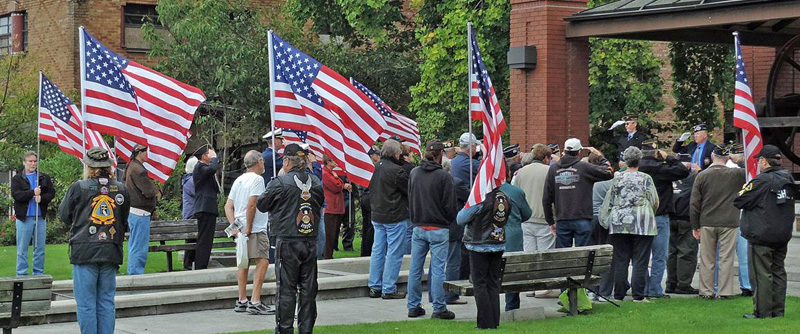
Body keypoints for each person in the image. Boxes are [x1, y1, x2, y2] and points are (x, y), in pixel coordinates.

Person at [59, 147, 130, 334]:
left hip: (84, 250)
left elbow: (64, 215)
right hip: (111, 250)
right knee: (106, 301)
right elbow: (123, 220)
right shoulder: (121, 189)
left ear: (89, 166)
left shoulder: (78, 187)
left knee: (86, 304)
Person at [256, 144, 324, 334]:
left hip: (287, 241)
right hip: (309, 239)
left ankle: (284, 330)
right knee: (308, 289)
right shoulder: (316, 181)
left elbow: (262, 204)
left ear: (286, 161)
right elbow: (319, 202)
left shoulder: (280, 182)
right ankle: (306, 330)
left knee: (286, 290)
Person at [734, 145, 796, 319]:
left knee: (761, 274)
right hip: (781, 234)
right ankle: (778, 311)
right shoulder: (788, 178)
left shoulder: (761, 181)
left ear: (764, 161)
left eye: (760, 160)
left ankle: (762, 312)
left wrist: (746, 186)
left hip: (761, 234)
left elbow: (739, 200)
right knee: (778, 272)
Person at [406, 139, 459, 319]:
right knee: (437, 269)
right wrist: (446, 220)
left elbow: (410, 197)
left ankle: (413, 306)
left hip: (419, 225)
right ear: (440, 155)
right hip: (438, 227)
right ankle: (438, 307)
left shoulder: (414, 173)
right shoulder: (444, 176)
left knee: (416, 268)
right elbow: (451, 206)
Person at [599, 147, 659, 302]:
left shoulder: (617, 178)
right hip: (642, 222)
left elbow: (610, 200)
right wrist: (648, 212)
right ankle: (638, 295)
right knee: (640, 260)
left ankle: (619, 295)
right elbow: (654, 200)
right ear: (639, 160)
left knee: (620, 260)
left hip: (619, 221)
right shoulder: (646, 178)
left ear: (625, 161)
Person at [690, 146, 746, 299]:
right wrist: (739, 160)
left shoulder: (702, 175)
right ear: (727, 158)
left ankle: (706, 291)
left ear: (712, 156)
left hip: (707, 221)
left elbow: (695, 203)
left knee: (707, 258)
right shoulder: (736, 174)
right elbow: (752, 172)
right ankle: (725, 291)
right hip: (729, 221)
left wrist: (695, 225)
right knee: (726, 258)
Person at [638, 142, 690, 298]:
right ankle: (654, 290)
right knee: (659, 256)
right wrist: (670, 158)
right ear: (655, 154)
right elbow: (683, 171)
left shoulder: (637, 168)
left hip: (641, 216)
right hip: (660, 215)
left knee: (642, 255)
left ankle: (643, 287)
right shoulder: (661, 168)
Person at [225, 151, 274, 315]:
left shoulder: (239, 179)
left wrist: (234, 227)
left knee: (243, 262)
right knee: (263, 261)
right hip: (254, 228)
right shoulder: (257, 179)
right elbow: (252, 204)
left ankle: (242, 299)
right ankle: (255, 300)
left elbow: (228, 206)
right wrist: (250, 227)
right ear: (259, 161)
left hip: (240, 228)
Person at [457, 187, 512, 329]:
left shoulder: (479, 198)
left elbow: (460, 219)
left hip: (479, 244)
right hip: (498, 243)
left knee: (480, 284)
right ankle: (494, 322)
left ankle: (485, 323)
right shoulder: (505, 196)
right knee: (493, 283)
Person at [543, 138, 613, 248]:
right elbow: (608, 172)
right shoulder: (583, 167)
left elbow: (547, 198)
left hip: (562, 218)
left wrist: (550, 221)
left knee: (563, 256)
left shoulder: (553, 169)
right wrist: (600, 156)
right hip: (583, 217)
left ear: (564, 151)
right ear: (579, 152)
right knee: (583, 255)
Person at [512, 144, 559, 298]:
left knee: (529, 255)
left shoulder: (520, 173)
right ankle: (543, 289)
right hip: (544, 219)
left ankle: (531, 287)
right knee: (545, 256)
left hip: (525, 219)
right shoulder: (550, 171)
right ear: (546, 158)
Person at [367, 139, 410, 299]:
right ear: (394, 153)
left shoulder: (378, 167)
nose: (400, 154)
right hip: (394, 215)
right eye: (399, 151)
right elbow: (408, 190)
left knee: (378, 250)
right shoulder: (397, 171)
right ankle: (388, 288)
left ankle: (375, 286)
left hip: (378, 214)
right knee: (394, 252)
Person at [447, 132, 481, 304]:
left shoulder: (454, 162)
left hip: (452, 212)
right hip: (464, 211)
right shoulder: (472, 165)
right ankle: (460, 286)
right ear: (472, 147)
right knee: (463, 253)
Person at [11, 151, 55, 276]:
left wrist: (42, 198)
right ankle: (22, 274)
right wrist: (32, 193)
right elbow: (17, 195)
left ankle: (38, 274)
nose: (33, 163)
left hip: (40, 218)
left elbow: (51, 193)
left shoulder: (43, 177)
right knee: (22, 249)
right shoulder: (17, 179)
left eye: (35, 161)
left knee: (40, 249)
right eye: (30, 161)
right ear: (24, 162)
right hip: (24, 219)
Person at [499, 167, 533, 312]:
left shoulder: (483, 191)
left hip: (490, 236)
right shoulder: (516, 192)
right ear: (507, 174)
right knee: (512, 271)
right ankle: (512, 306)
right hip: (513, 235)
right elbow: (527, 213)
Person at [665, 155, 700, 295]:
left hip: (670, 217)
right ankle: (683, 284)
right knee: (687, 252)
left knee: (672, 252)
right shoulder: (693, 178)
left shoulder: (669, 176)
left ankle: (671, 283)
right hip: (686, 218)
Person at [123, 144, 160, 275]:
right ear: (139, 153)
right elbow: (149, 191)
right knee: (139, 247)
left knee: (134, 245)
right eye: (145, 151)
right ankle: (136, 275)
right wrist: (156, 188)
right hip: (140, 212)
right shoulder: (139, 170)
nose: (147, 154)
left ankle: (133, 273)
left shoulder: (131, 166)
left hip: (134, 211)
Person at [192, 144, 220, 270]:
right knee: (204, 239)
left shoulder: (204, 168)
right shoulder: (200, 167)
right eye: (209, 154)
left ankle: (203, 263)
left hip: (208, 208)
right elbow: (212, 169)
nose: (211, 156)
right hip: (204, 208)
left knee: (207, 239)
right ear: (204, 156)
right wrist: (215, 158)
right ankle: (200, 265)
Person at [322, 156, 348, 259]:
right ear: (328, 162)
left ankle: (329, 254)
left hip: (335, 207)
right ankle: (327, 256)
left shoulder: (330, 173)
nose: (337, 162)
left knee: (333, 233)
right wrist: (337, 178)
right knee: (329, 234)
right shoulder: (325, 174)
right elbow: (336, 186)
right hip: (330, 208)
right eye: (334, 160)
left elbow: (339, 184)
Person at [360, 146, 381, 257]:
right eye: (377, 154)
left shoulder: (364, 166)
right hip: (369, 196)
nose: (379, 156)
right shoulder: (372, 167)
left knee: (366, 226)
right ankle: (368, 251)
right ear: (372, 156)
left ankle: (365, 251)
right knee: (370, 228)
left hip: (365, 196)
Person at [181, 156, 199, 270]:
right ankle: (187, 263)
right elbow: (199, 192)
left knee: (193, 240)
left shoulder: (189, 179)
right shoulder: (191, 181)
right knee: (190, 240)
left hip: (191, 213)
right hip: (192, 214)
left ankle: (190, 262)